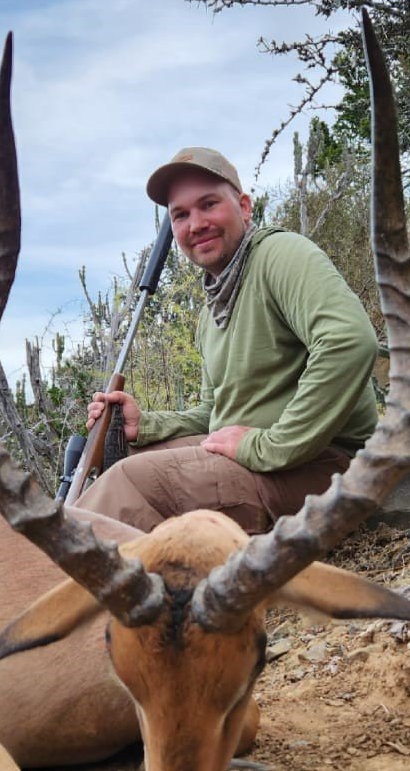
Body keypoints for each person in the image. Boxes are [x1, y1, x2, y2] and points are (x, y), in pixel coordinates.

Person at [75, 146, 380, 534]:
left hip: (328, 467)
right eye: (180, 215)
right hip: (265, 459)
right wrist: (145, 425)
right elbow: (214, 412)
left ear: (244, 207)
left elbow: (349, 342)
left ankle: (59, 586)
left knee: (128, 484)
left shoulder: (279, 255)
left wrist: (269, 447)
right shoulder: (212, 310)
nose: (195, 223)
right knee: (125, 456)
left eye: (208, 205)